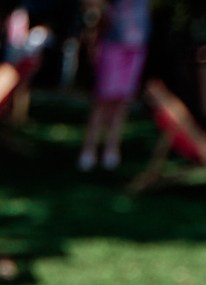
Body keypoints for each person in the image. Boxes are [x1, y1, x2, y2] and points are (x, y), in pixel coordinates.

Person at [77, 0, 145, 171]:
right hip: (112, 43)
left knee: (122, 101)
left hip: (136, 44)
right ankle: (90, 149)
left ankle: (112, 149)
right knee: (103, 100)